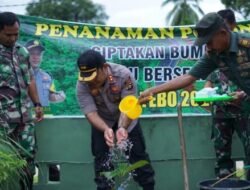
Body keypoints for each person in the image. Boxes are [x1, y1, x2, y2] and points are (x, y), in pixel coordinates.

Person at [76, 49, 155, 190]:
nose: (90, 82)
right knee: (102, 165)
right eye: (86, 78)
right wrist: (106, 129)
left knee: (139, 161)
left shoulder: (124, 75)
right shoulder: (82, 84)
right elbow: (90, 113)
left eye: (93, 77)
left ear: (104, 68)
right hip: (101, 122)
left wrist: (122, 127)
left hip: (127, 121)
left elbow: (128, 105)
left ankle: (148, 187)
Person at [204, 9, 250, 179]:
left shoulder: (243, 47)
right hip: (221, 110)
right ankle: (224, 181)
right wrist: (205, 98)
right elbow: (206, 81)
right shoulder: (213, 51)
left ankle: (242, 181)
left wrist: (243, 96)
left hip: (244, 109)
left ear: (231, 25)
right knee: (222, 155)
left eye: (224, 24)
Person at [0, 12, 43, 189]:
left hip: (25, 119)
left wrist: (37, 103)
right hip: (2, 122)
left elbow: (30, 79)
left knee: (28, 162)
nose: (13, 38)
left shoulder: (22, 52)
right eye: (8, 34)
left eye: (16, 34)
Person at [25, 39, 66, 108]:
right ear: (25, 55)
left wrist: (57, 97)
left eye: (38, 54)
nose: (36, 57)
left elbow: (50, 96)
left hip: (45, 115)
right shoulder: (18, 75)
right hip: (26, 116)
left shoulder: (47, 76)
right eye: (32, 53)